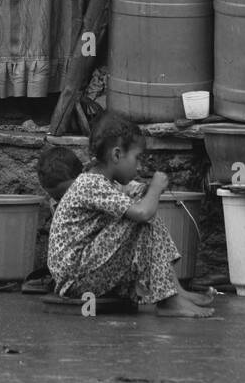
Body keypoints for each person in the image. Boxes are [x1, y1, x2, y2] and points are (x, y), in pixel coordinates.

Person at [46, 111, 214, 318]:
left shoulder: (107, 182)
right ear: (116, 155)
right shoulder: (90, 183)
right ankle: (168, 300)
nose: (140, 166)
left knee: (144, 212)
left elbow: (136, 198)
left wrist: (147, 191)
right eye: (136, 158)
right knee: (142, 217)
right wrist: (154, 189)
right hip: (75, 277)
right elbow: (142, 213)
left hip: (87, 269)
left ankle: (174, 292)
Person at [22, 145, 84, 294]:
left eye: (67, 195)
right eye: (57, 197)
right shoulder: (55, 203)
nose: (64, 202)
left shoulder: (93, 192)